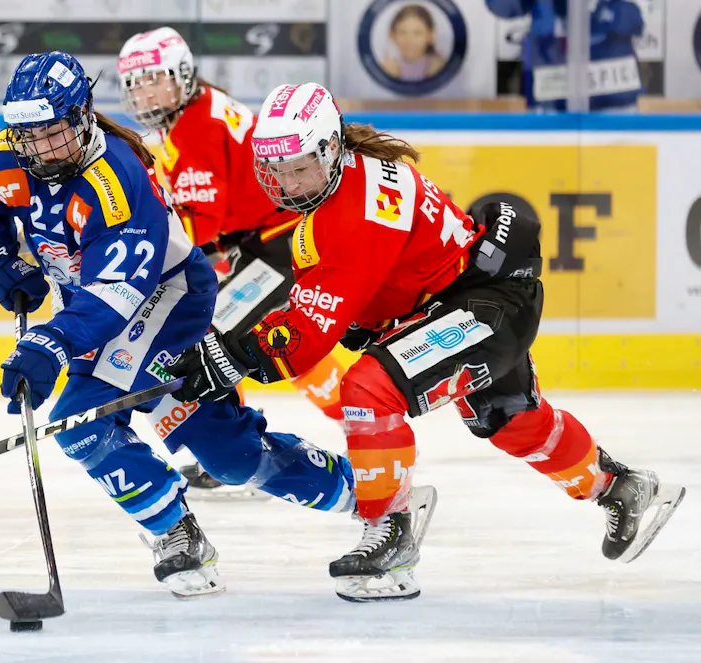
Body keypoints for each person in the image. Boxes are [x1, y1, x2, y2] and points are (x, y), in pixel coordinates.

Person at [169, 81, 686, 601]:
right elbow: (335, 294)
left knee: (370, 390)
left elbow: (310, 327)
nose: (287, 182)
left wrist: (230, 355)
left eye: (298, 165)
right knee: (509, 418)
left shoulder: (356, 205)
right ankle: (622, 487)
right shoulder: (340, 182)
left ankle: (390, 529)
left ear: (330, 147)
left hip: (482, 304)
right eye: (274, 169)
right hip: (467, 299)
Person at [0, 53, 358, 599]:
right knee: (232, 457)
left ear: (82, 116)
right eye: (28, 134)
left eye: (53, 132)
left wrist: (51, 344)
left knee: (80, 418)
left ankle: (371, 499)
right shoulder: (5, 158)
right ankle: (181, 530)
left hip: (165, 302)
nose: (41, 147)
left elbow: (116, 293)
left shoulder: (115, 181)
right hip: (94, 313)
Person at [117, 26, 349, 498]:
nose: (143, 92)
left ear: (182, 76)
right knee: (244, 340)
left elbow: (201, 224)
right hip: (269, 238)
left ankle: (236, 443)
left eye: (153, 79)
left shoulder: (197, 126)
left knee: (208, 336)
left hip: (277, 242)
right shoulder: (198, 110)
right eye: (134, 84)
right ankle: (348, 417)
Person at [485, 0, 644, 112]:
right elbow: (502, 5)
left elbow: (639, 17)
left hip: (615, 93)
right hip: (551, 93)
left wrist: (610, 15)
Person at [381, 4, 446, 82]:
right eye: (402, 32)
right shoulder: (390, 67)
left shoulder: (438, 66)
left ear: (430, 36)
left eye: (417, 33)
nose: (409, 40)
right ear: (393, 36)